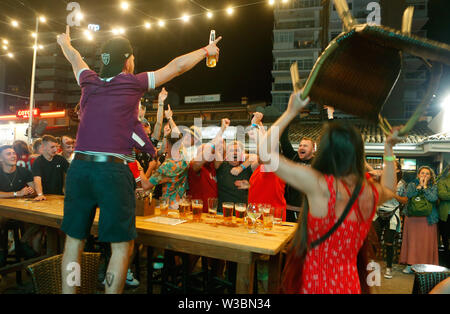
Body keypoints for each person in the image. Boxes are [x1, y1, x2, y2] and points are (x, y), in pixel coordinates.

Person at [56, 25, 221, 294]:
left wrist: (64, 41)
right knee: (121, 246)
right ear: (127, 59)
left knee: (74, 242)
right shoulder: (133, 82)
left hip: (80, 168)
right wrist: (206, 50)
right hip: (112, 172)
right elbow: (176, 66)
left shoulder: (88, 80)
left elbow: (75, 57)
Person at [258, 91, 399, 294]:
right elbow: (390, 189)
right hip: (350, 286)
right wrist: (388, 149)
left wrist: (290, 111)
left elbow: (265, 155)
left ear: (325, 151)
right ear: (358, 153)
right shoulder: (368, 192)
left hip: (315, 285)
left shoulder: (320, 185)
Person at [0, 145, 36, 266]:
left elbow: (34, 188)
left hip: (20, 210)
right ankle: (1, 249)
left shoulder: (24, 171)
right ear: (1, 158)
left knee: (39, 220)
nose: (13, 156)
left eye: (14, 153)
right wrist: (17, 193)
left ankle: (22, 242)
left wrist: (31, 191)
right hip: (3, 210)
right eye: (8, 154)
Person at [400, 166, 440, 273]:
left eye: (427, 174)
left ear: (431, 176)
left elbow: (433, 198)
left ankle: (425, 266)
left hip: (428, 219)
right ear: (418, 175)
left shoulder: (433, 186)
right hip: (413, 218)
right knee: (412, 242)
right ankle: (410, 264)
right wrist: (418, 188)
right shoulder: (412, 184)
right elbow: (408, 196)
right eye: (422, 173)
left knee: (425, 243)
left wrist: (425, 187)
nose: (424, 175)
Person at [247, 112, 287, 221]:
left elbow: (265, 147)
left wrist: (254, 125)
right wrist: (260, 126)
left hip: (272, 221)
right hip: (256, 219)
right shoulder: (260, 167)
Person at [372, 161, 408, 279]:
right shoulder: (380, 178)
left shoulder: (401, 183)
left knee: (389, 242)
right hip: (378, 212)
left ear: (397, 170)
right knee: (373, 239)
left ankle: (389, 267)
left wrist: (394, 195)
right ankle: (372, 264)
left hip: (392, 214)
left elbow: (405, 200)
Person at [187, 118, 230, 212]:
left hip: (211, 214)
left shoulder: (214, 168)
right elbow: (204, 156)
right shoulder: (194, 166)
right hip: (196, 212)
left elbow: (219, 161)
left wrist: (219, 147)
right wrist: (221, 131)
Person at [279, 124, 316, 222]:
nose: (301, 147)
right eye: (300, 145)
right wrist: (289, 117)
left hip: (308, 212)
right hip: (289, 210)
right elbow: (284, 139)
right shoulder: (293, 157)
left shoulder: (318, 163)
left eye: (305, 146)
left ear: (313, 149)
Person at [144, 131, 188, 209]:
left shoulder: (167, 165)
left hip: (168, 206)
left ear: (167, 145)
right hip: (180, 205)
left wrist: (144, 168)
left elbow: (146, 185)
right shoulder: (185, 160)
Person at [31, 135, 70, 201]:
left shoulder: (60, 159)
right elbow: (37, 179)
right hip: (45, 197)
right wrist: (40, 195)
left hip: (59, 196)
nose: (55, 149)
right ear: (43, 147)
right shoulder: (38, 162)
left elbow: (72, 174)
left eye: (56, 147)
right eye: (52, 147)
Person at [437, 167, 450, 263]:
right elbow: (442, 195)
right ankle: (446, 262)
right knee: (445, 240)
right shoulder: (443, 181)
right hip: (446, 215)